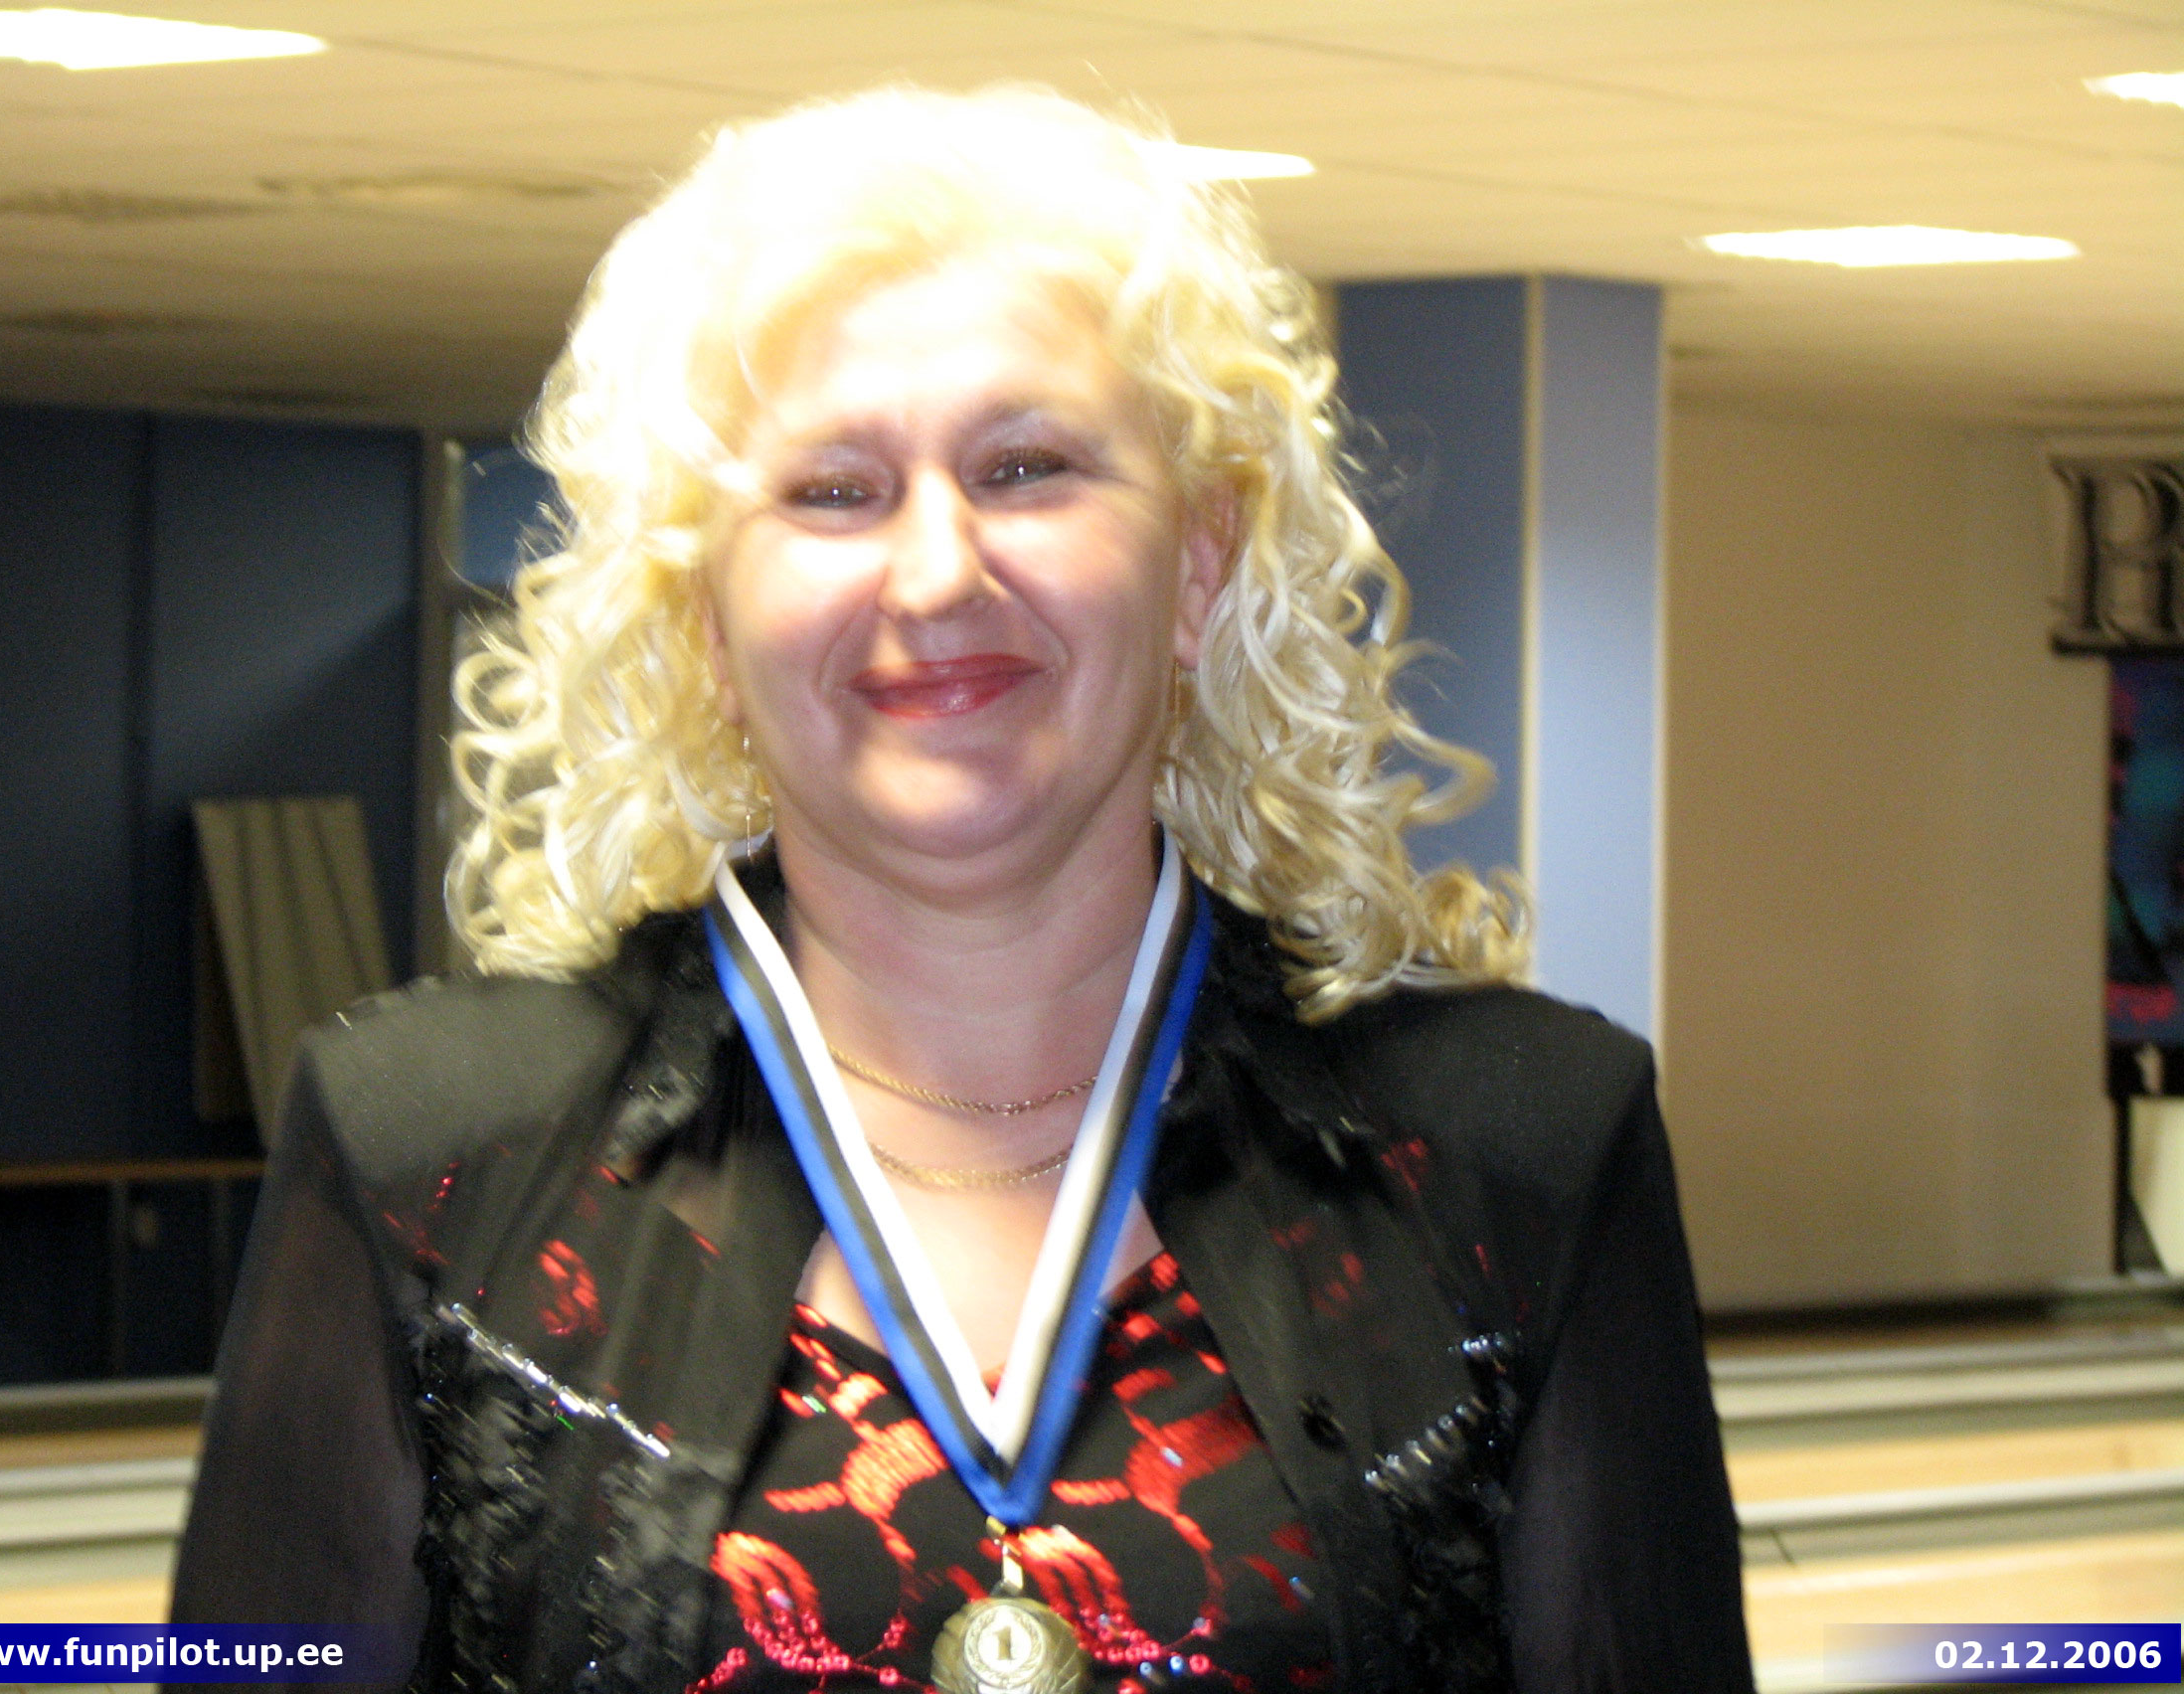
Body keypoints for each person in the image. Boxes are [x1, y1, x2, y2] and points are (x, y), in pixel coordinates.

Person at [171, 85, 1753, 1694]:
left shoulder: (1519, 1154)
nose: (937, 575)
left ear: (1200, 563)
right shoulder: (432, 1155)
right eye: (833, 491)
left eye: (1028, 468)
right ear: (705, 619)